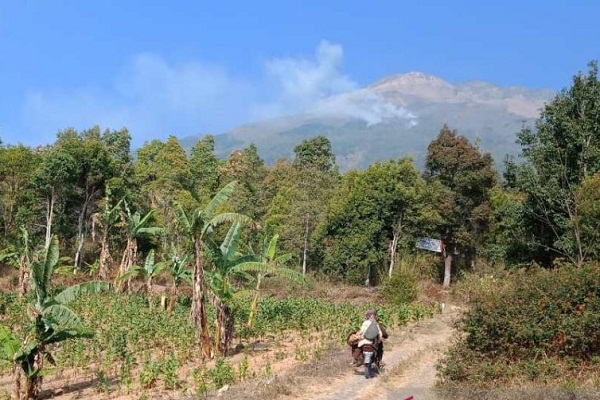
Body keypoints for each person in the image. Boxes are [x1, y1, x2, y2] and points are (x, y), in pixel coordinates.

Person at [357, 310, 387, 379]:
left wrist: (358, 335)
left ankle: (357, 360)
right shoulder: (375, 324)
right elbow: (380, 334)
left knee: (357, 347)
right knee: (380, 348)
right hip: (372, 343)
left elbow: (361, 331)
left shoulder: (365, 323)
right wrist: (379, 341)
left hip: (363, 342)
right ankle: (379, 361)